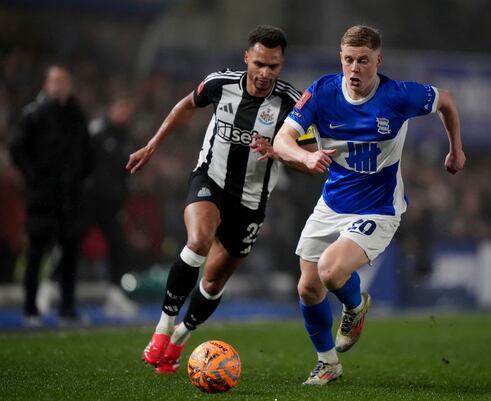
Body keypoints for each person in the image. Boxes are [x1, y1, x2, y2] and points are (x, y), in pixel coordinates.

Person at [266, 25, 465, 385]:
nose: (354, 68)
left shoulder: (399, 96)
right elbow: (282, 141)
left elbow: (446, 101)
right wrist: (305, 158)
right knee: (308, 288)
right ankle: (328, 364)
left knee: (330, 270)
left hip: (378, 208)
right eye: (348, 60)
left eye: (363, 61)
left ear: (378, 60)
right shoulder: (322, 92)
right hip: (332, 203)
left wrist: (456, 149)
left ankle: (355, 306)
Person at [126, 25, 301, 374]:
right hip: (211, 179)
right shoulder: (220, 83)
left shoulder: (291, 103)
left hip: (251, 201)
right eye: (260, 64)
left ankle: (180, 336)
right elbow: (186, 105)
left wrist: (280, 151)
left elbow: (310, 156)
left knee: (214, 281)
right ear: (247, 58)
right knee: (197, 242)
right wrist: (153, 143)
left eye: (274, 66)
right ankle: (162, 328)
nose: (266, 73)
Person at [9, 65, 92, 325]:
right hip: (42, 198)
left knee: (69, 256)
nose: (60, 85)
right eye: (55, 81)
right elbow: (17, 149)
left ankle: (67, 308)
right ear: (46, 84)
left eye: (64, 81)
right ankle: (30, 309)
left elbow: (88, 152)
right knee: (36, 255)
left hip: (69, 198)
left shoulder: (76, 115)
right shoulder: (33, 115)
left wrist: (80, 179)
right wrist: (34, 177)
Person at [82, 94, 138, 318]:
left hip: (112, 203)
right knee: (70, 241)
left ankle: (115, 294)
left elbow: (126, 170)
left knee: (118, 245)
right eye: (121, 108)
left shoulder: (126, 136)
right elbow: (81, 161)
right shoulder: (95, 131)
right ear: (111, 108)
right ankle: (49, 288)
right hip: (89, 200)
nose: (124, 114)